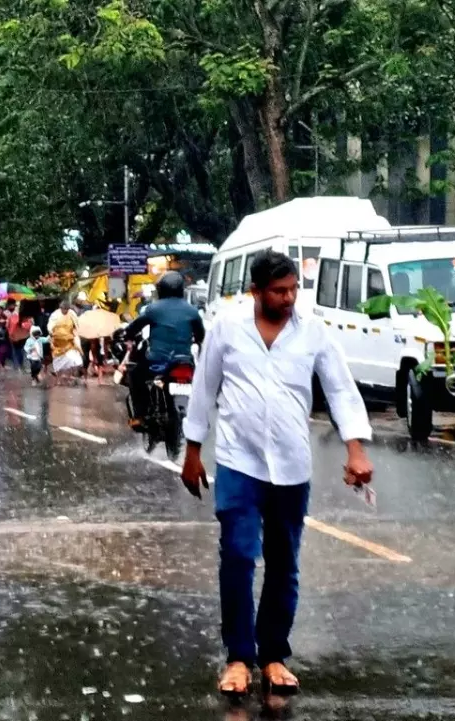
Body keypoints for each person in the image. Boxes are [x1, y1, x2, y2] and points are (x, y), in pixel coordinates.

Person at [180, 251, 373, 697]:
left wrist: (356, 451)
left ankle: (272, 657)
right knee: (239, 557)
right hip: (237, 462)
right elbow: (204, 389)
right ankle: (237, 658)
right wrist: (192, 452)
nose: (288, 299)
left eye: (292, 291)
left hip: (291, 466)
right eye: (279, 291)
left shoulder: (314, 333)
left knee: (284, 564)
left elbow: (341, 389)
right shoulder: (228, 327)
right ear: (256, 292)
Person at [124, 272, 206, 427]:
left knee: (135, 375)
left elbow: (134, 327)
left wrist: (127, 336)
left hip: (158, 361)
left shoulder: (153, 309)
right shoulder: (192, 311)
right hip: (184, 361)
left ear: (161, 289)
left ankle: (140, 416)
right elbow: (201, 336)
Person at [48, 310, 83, 384]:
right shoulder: (59, 332)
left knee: (67, 363)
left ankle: (62, 379)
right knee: (65, 364)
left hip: (65, 350)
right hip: (62, 350)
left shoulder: (72, 332)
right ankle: (62, 379)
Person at [7, 303, 33, 370]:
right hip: (24, 337)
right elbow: (30, 328)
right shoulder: (28, 318)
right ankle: (25, 368)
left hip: (14, 338)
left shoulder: (13, 316)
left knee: (15, 353)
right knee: (24, 353)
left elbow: (7, 326)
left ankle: (17, 368)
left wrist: (11, 335)